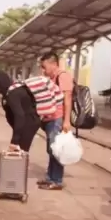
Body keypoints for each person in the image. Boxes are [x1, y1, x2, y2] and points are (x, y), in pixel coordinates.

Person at [38, 51, 73, 190]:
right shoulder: (51, 78)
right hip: (50, 118)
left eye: (44, 66)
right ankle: (50, 177)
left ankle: (57, 180)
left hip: (58, 118)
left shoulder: (63, 76)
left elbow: (67, 99)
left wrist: (66, 121)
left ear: (53, 64)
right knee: (51, 149)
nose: (43, 69)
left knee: (57, 150)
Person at [0, 69, 40, 151]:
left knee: (20, 152)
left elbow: (19, 116)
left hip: (28, 124)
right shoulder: (11, 91)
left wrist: (15, 140)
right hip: (28, 123)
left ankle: (21, 163)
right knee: (20, 152)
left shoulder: (13, 94)